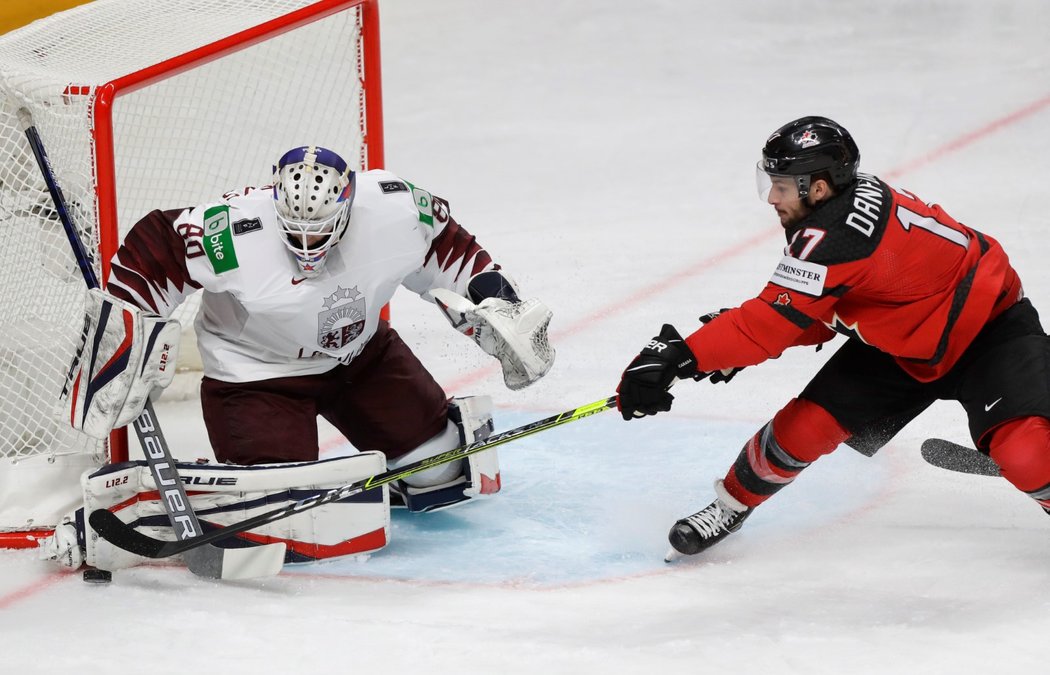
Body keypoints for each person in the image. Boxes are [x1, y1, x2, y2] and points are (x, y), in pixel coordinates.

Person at [615, 116, 1050, 560]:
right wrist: (723, 345)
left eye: (782, 185)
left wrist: (683, 356)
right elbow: (827, 311)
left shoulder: (834, 238)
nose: (772, 197)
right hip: (904, 343)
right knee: (804, 427)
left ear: (818, 188)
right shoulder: (838, 218)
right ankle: (730, 506)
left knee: (1028, 453)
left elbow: (768, 325)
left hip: (990, 331)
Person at [71, 144, 556, 514]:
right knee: (284, 512)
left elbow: (450, 250)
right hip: (256, 379)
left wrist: (499, 303)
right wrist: (125, 332)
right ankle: (184, 496)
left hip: (363, 358)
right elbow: (156, 249)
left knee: (440, 469)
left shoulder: (395, 207)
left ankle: (389, 467)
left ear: (347, 204)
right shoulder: (231, 229)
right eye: (295, 230)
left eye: (322, 230)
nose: (308, 244)